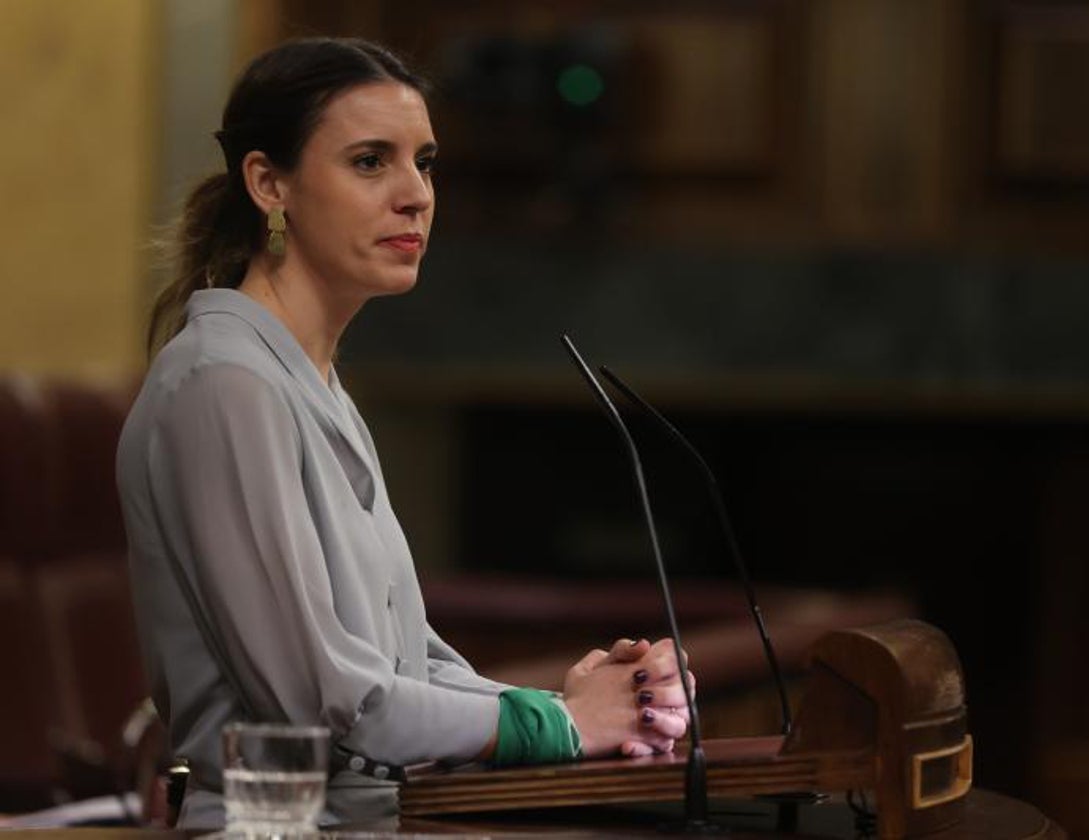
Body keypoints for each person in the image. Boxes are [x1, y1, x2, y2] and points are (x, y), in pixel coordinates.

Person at [116, 37, 693, 828]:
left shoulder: (310, 381)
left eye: (423, 161)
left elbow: (407, 663)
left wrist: (595, 708)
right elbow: (322, 702)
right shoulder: (223, 382)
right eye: (369, 161)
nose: (415, 194)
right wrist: (556, 724)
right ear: (268, 183)